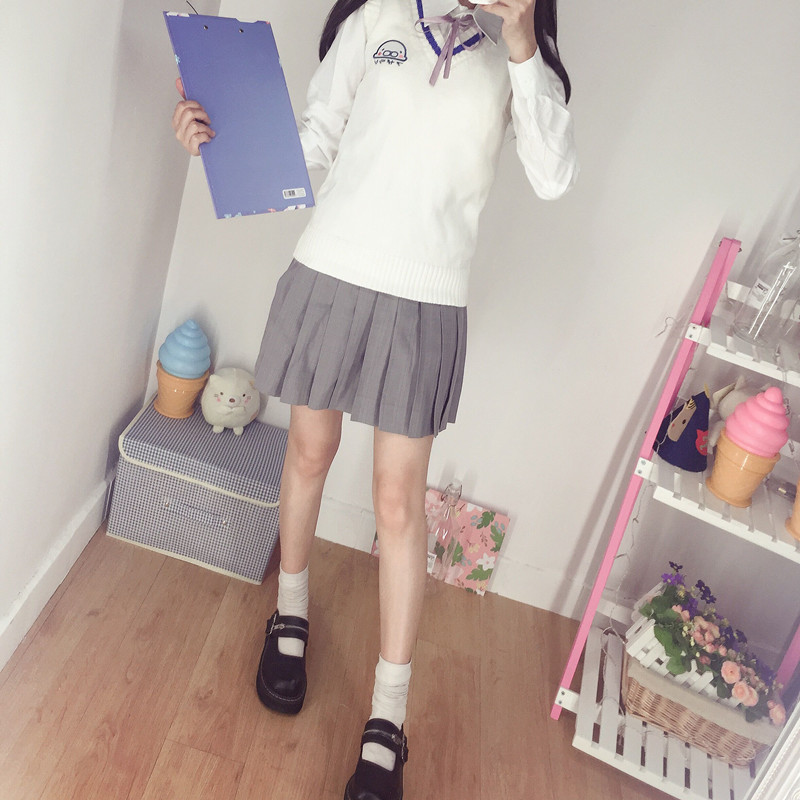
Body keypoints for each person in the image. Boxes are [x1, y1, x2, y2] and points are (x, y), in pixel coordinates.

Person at [172, 0, 577, 797]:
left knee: (398, 502)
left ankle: (388, 718)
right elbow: (313, 140)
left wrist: (523, 43)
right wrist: (216, 139)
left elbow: (553, 175)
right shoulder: (379, 18)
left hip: (426, 301)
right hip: (331, 271)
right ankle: (290, 614)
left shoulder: (516, 54)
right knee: (309, 451)